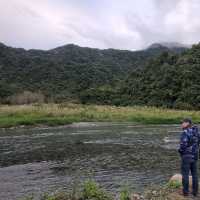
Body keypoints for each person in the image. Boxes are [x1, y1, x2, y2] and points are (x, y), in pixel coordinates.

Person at [178, 118, 200, 197]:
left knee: (185, 174)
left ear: (187, 123)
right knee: (195, 174)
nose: (181, 124)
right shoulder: (197, 132)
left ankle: (186, 193)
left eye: (182, 123)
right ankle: (195, 192)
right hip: (195, 156)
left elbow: (183, 146)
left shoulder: (185, 132)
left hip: (186, 156)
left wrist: (180, 151)